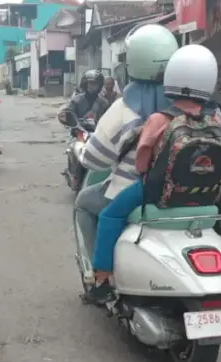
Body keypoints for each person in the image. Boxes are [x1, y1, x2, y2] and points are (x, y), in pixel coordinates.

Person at [85, 44, 221, 304]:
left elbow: (142, 160)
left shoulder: (160, 119)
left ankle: (102, 278)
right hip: (204, 194)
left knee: (110, 215)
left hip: (157, 190)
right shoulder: (215, 119)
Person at [73, 24, 179, 292]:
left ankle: (99, 274)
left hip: (136, 189)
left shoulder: (124, 108)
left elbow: (93, 160)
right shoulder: (186, 105)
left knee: (85, 202)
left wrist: (83, 151)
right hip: (180, 191)